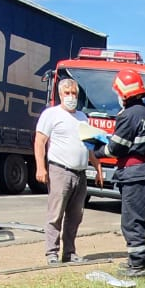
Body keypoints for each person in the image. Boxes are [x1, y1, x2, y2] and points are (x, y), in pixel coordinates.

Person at [34, 78, 103, 265]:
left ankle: (69, 252)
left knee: (75, 216)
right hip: (60, 170)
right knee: (55, 214)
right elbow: (40, 141)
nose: (71, 97)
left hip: (80, 174)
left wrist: (97, 166)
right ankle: (52, 253)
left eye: (74, 93)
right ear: (60, 94)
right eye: (67, 93)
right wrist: (40, 167)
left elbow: (89, 146)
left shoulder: (82, 117)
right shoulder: (51, 115)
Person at [106, 66, 145, 278]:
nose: (118, 97)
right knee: (141, 219)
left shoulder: (128, 115)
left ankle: (136, 266)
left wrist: (97, 148)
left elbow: (115, 148)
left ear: (124, 92)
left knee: (131, 221)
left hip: (134, 173)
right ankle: (137, 263)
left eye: (118, 93)